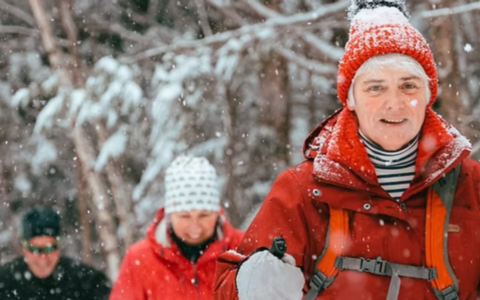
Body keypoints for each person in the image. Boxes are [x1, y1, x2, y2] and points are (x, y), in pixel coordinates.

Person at [213, 1, 480, 300]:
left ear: (429, 94)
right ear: (350, 99)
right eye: (375, 88)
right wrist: (257, 282)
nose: (394, 103)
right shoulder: (302, 191)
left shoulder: (472, 187)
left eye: (408, 86)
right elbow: (226, 290)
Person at [109, 155, 243, 300]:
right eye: (184, 216)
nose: (195, 226)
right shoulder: (139, 259)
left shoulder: (243, 249)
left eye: (204, 215)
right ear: (169, 214)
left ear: (217, 213)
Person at [0, 206, 111, 300]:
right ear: (24, 248)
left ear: (58, 246)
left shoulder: (88, 281)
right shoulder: (4, 282)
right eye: (35, 249)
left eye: (49, 248)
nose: (43, 257)